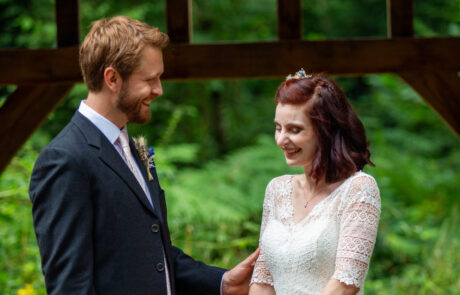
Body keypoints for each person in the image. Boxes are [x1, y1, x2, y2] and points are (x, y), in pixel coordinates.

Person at [29, 16, 259, 295]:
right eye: (150, 79)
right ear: (112, 78)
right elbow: (70, 285)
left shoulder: (133, 148)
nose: (159, 90)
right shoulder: (65, 159)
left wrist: (222, 282)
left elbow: (152, 255)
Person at [248, 70, 381, 295]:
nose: (281, 139)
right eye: (278, 128)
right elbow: (263, 279)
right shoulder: (277, 189)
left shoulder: (359, 188)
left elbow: (346, 283)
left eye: (294, 129)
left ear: (325, 131)